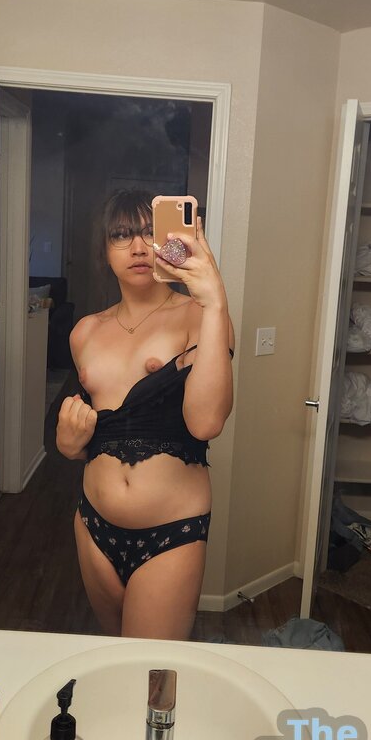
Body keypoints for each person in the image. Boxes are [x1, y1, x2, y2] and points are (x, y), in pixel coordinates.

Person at [56, 190, 234, 640]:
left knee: (150, 669)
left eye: (150, 232)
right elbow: (92, 431)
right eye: (121, 235)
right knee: (115, 656)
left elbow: (206, 422)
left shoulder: (200, 316)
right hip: (92, 524)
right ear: (104, 251)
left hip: (170, 533)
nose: (137, 247)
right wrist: (68, 444)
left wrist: (215, 300)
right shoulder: (84, 332)